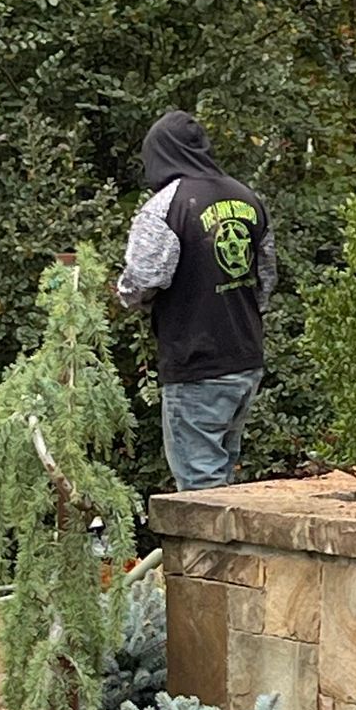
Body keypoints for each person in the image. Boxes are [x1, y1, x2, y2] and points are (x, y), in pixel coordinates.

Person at [116, 109, 276, 492]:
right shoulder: (247, 198)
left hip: (196, 363)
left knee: (201, 492)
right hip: (245, 358)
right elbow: (266, 279)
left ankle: (209, 555)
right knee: (223, 478)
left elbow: (144, 281)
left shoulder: (166, 207)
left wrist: (122, 293)